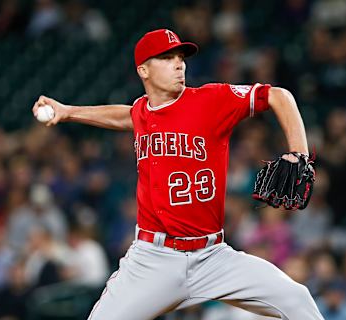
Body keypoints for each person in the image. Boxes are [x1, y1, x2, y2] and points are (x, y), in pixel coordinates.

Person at [32, 29, 323, 320]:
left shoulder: (210, 100)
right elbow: (124, 114)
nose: (179, 64)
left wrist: (298, 152)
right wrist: (68, 111)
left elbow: (278, 96)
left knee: (297, 299)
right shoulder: (142, 112)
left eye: (180, 57)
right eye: (167, 57)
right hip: (153, 260)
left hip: (213, 257)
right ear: (143, 70)